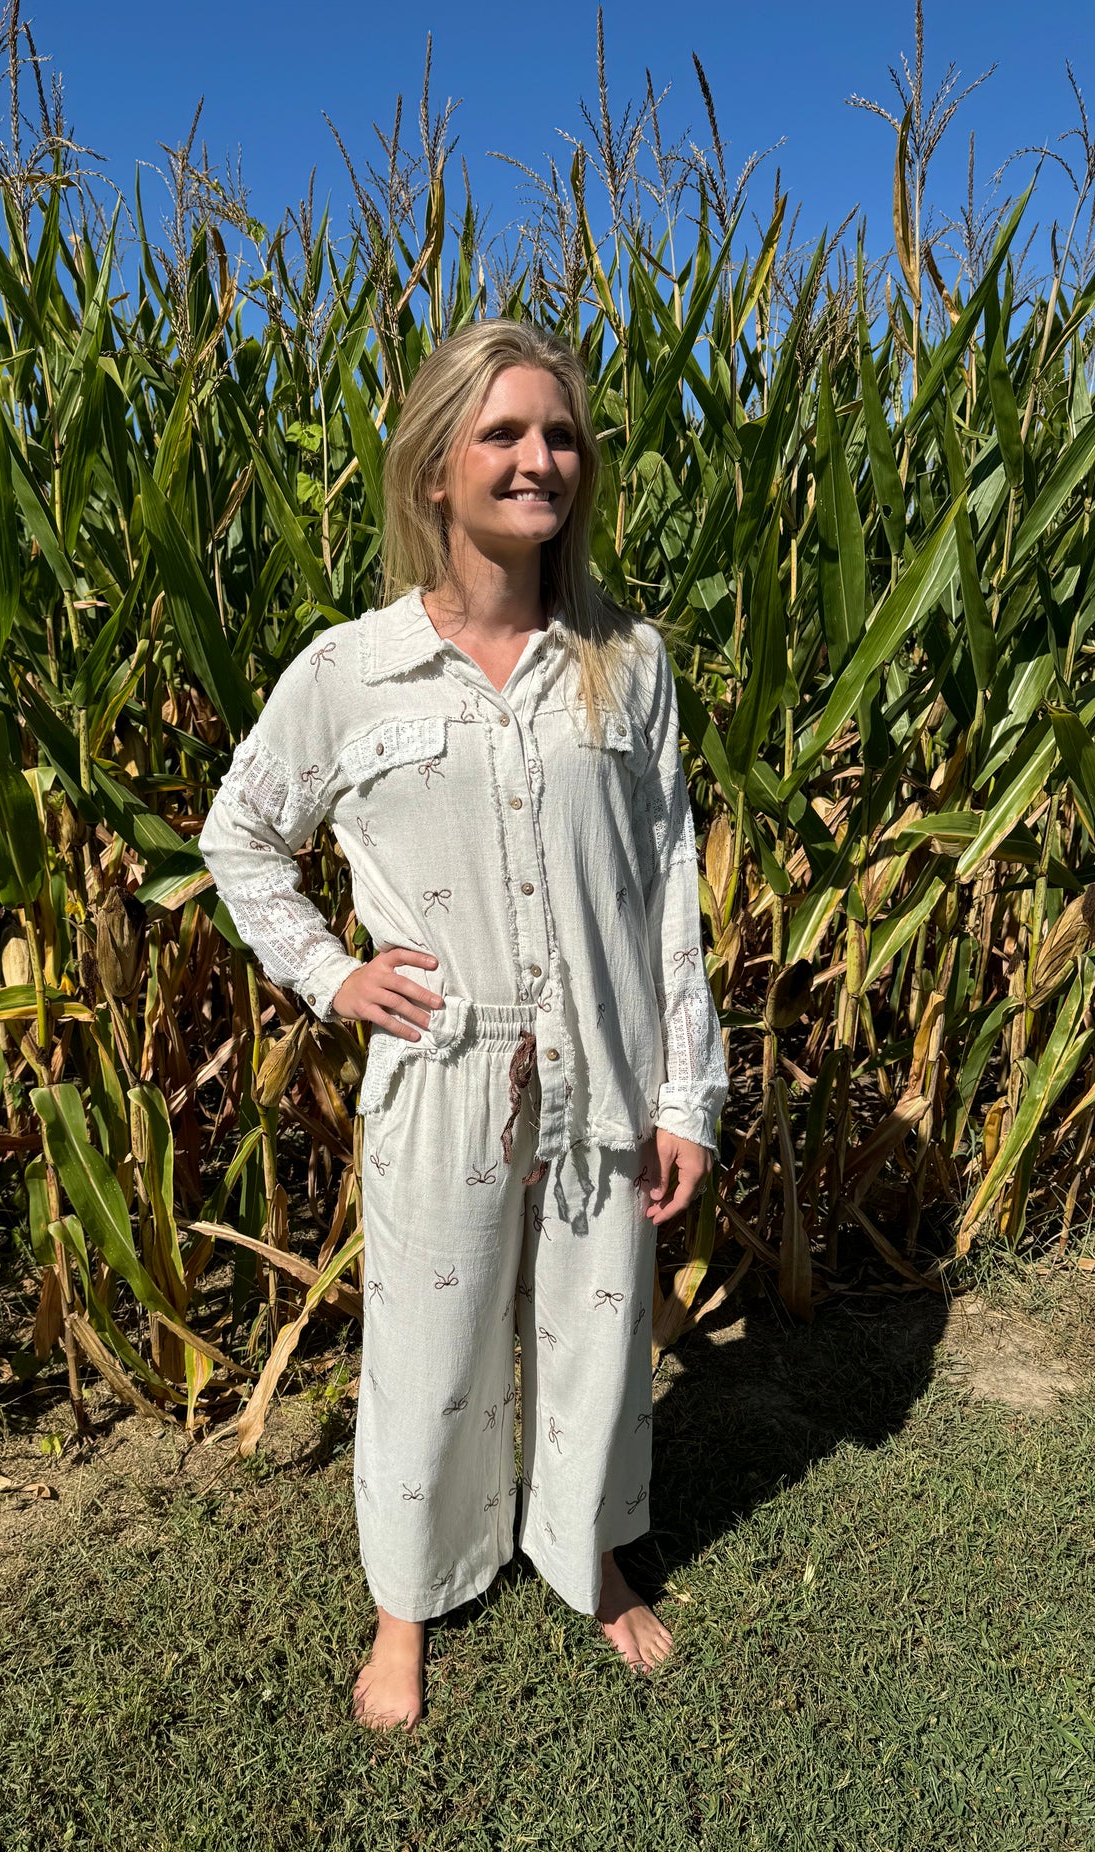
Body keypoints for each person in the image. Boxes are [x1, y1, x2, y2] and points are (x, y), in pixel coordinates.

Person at [197, 316, 729, 1731]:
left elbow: (666, 885)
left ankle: (591, 1558)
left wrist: (686, 1096)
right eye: (500, 434)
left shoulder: (630, 662)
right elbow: (240, 837)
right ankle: (404, 1607)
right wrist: (330, 974)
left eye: (557, 435)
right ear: (435, 470)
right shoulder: (348, 671)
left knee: (597, 1333)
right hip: (439, 1068)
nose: (535, 458)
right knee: (427, 1347)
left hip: (603, 1062)